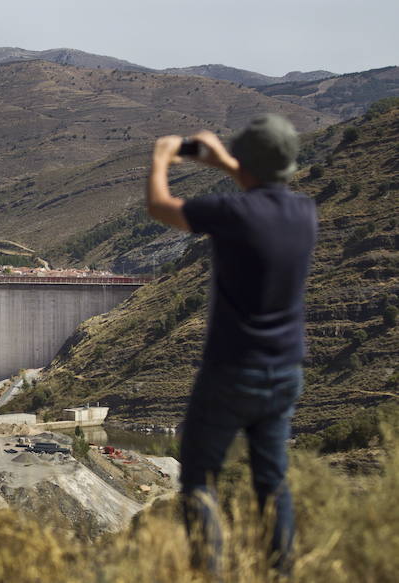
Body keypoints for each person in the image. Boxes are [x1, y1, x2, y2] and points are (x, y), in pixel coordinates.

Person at [144, 114, 317, 576]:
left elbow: (161, 206)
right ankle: (280, 572)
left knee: (200, 476)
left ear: (245, 161)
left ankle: (210, 571)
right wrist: (227, 161)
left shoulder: (232, 213)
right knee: (273, 482)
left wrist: (162, 158)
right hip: (285, 373)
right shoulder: (305, 213)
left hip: (230, 372)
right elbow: (262, 187)